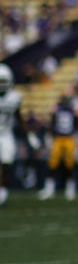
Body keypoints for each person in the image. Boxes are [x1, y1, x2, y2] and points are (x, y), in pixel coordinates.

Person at [38, 95, 78, 200]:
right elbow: (52, 124)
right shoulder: (57, 111)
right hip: (58, 138)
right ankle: (49, 189)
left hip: (69, 138)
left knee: (70, 163)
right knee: (53, 162)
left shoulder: (73, 112)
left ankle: (70, 189)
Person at [0, 63, 22, 207]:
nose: (2, 84)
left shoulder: (15, 97)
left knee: (6, 164)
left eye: (3, 81)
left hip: (6, 133)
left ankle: (2, 195)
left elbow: (18, 116)